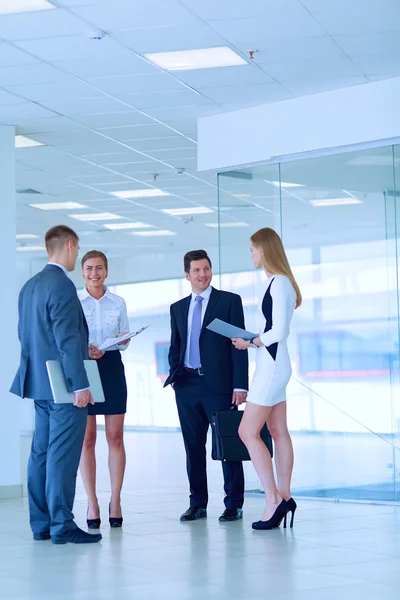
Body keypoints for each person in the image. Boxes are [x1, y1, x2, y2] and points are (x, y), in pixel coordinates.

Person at [10, 225, 102, 545]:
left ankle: (42, 524)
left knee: (41, 453)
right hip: (63, 386)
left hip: (38, 382)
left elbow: (29, 336)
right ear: (70, 245)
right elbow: (66, 337)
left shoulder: (30, 286)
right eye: (77, 250)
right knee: (62, 454)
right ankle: (63, 525)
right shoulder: (61, 284)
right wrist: (79, 385)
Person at [165, 249, 248, 522]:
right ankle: (197, 503)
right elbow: (176, 344)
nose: (203, 274)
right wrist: (175, 374)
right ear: (187, 275)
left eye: (207, 269)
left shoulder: (228, 302)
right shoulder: (177, 308)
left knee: (227, 444)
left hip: (220, 385)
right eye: (197, 270)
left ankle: (233, 503)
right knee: (193, 445)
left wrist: (240, 385)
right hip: (187, 384)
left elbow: (239, 346)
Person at [232, 228, 302, 530]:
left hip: (272, 365)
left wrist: (252, 342)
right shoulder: (277, 283)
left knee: (247, 432)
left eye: (252, 249)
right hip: (272, 363)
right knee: (277, 430)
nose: (251, 254)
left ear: (264, 249)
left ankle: (273, 499)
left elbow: (279, 332)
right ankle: (284, 497)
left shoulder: (279, 283)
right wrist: (255, 341)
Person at [78, 250, 130, 529]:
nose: (94, 273)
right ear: (82, 272)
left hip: (111, 367)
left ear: (107, 271)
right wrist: (84, 349)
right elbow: (68, 336)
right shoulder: (74, 301)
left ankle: (116, 500)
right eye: (89, 268)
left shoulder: (118, 302)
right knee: (87, 439)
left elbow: (125, 339)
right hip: (84, 368)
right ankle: (91, 501)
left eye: (99, 268)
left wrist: (122, 340)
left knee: (115, 438)